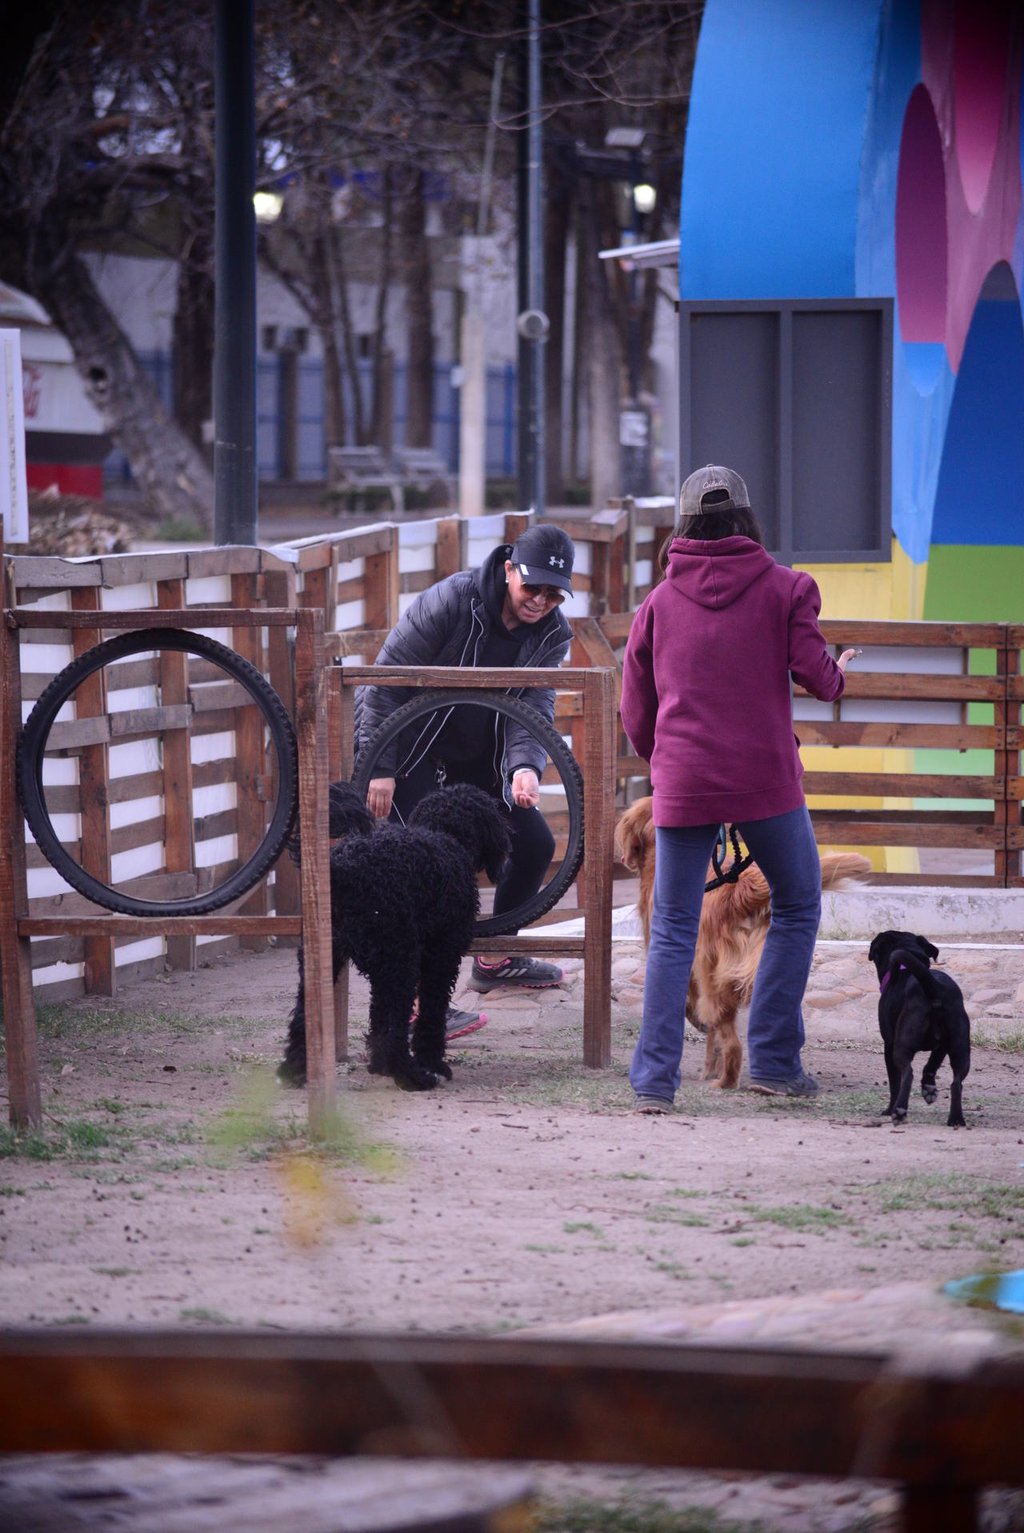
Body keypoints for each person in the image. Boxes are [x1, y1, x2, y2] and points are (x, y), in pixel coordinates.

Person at [619, 464, 859, 1111]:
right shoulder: (787, 589)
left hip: (684, 783)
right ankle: (777, 1062)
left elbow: (634, 707)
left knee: (671, 927)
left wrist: (665, 764)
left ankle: (653, 1081)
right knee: (799, 901)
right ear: (747, 520)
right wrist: (838, 674)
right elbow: (816, 673)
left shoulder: (658, 605)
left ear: (685, 526)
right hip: (765, 784)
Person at [355, 522, 576, 1029]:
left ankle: (496, 958)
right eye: (532, 587)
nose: (540, 601)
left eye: (553, 593)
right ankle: (412, 1005)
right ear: (508, 569)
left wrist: (524, 767)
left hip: (479, 758)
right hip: (408, 751)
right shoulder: (451, 601)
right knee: (422, 868)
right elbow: (385, 681)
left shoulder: (554, 632)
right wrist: (381, 769)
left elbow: (534, 706)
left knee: (534, 844)